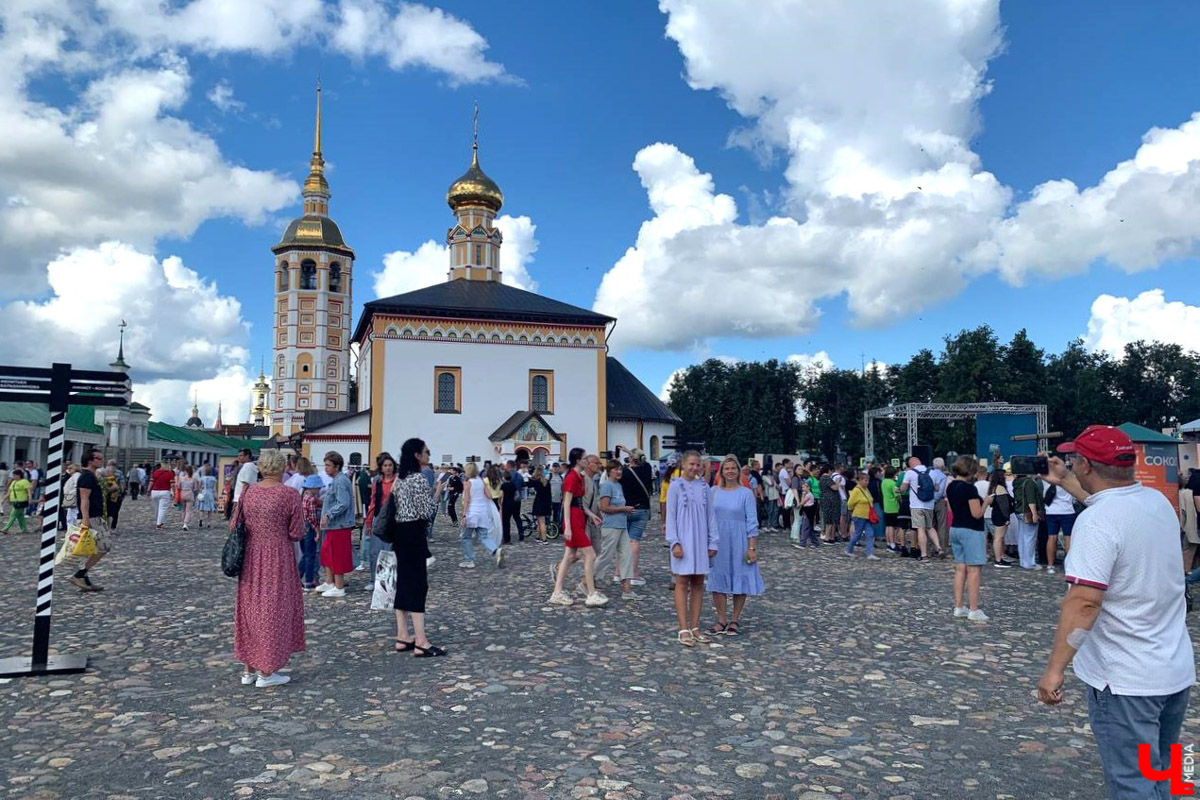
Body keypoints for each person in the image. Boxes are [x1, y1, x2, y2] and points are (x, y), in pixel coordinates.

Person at [1038, 426, 1194, 799]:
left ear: (1085, 464)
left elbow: (1085, 602)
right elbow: (1114, 508)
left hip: (1126, 679)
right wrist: (1065, 483)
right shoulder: (1156, 502)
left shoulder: (1096, 522)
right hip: (1173, 670)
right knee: (1170, 773)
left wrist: (1055, 669)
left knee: (1132, 782)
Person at [231, 448, 305, 688]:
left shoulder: (249, 492)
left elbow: (235, 523)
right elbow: (296, 532)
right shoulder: (289, 494)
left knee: (250, 609)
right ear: (283, 467)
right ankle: (267, 670)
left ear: (261, 468)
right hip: (278, 557)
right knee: (273, 609)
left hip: (251, 556)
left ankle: (248, 669)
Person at [391, 438, 445, 657]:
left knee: (403, 583)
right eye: (426, 452)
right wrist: (438, 493)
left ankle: (403, 635)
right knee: (417, 584)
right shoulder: (418, 480)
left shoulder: (400, 479)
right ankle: (421, 639)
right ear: (417, 455)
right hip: (414, 534)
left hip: (400, 533)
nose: (428, 455)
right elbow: (427, 512)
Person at [667, 451, 718, 646]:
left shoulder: (705, 488)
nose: (695, 468)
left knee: (698, 582)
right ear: (683, 464)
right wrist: (675, 542)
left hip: (700, 540)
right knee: (682, 581)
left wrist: (713, 541)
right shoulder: (675, 487)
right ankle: (683, 627)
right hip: (683, 540)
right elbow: (671, 517)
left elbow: (710, 516)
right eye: (691, 464)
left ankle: (695, 626)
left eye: (698, 465)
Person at [707, 455, 761, 636]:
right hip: (718, 540)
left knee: (741, 577)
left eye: (733, 468)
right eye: (726, 468)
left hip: (739, 540)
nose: (730, 471)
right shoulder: (712, 491)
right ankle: (721, 619)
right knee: (717, 579)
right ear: (721, 471)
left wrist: (752, 547)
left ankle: (735, 619)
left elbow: (752, 521)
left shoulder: (745, 493)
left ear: (739, 471)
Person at [549, 448, 607, 607]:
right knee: (590, 554)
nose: (586, 461)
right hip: (573, 520)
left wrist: (590, 514)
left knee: (569, 557)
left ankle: (557, 592)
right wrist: (567, 526)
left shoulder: (579, 477)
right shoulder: (572, 477)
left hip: (579, 516)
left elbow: (579, 502)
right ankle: (591, 593)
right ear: (577, 460)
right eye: (584, 459)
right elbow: (567, 503)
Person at [946, 455, 992, 622]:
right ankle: (974, 608)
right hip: (971, 530)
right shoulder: (969, 489)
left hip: (956, 527)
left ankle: (959, 606)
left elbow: (951, 508)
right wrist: (986, 501)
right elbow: (977, 514)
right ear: (971, 471)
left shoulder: (950, 487)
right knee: (974, 571)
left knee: (960, 569)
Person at [314, 452, 355, 597]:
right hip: (333, 525)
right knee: (327, 552)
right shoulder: (337, 480)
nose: (326, 468)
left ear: (336, 466)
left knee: (337, 554)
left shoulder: (340, 481)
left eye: (328, 465)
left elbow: (343, 503)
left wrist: (329, 514)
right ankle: (329, 581)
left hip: (339, 524)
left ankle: (339, 586)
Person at [596, 459, 636, 601]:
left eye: (620, 469)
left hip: (622, 525)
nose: (619, 472)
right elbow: (604, 507)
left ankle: (627, 589)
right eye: (615, 469)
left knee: (627, 555)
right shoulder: (607, 485)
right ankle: (588, 579)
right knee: (606, 556)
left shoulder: (618, 485)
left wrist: (625, 510)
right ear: (609, 471)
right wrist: (623, 509)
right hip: (611, 526)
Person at [69, 449, 107, 592]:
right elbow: (84, 499)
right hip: (91, 517)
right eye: (98, 458)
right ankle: (79, 575)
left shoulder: (91, 476)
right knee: (104, 546)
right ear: (90, 460)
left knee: (90, 548)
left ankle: (85, 580)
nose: (101, 460)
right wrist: (85, 518)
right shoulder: (87, 477)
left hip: (95, 516)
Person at [898, 456, 945, 561]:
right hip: (929, 504)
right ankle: (939, 548)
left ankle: (924, 555)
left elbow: (903, 488)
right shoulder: (932, 472)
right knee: (930, 527)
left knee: (920, 529)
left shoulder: (910, 473)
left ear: (910, 464)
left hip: (916, 505)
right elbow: (937, 488)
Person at [618, 447, 654, 586]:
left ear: (631, 459)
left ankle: (619, 573)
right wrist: (629, 451)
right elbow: (643, 462)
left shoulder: (625, 472)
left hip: (626, 508)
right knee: (634, 541)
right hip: (642, 509)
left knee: (622, 541)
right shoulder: (647, 469)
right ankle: (633, 574)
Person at [459, 461, 504, 568]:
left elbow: (466, 500)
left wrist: (464, 515)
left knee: (466, 536)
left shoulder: (467, 483)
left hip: (472, 512)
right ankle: (495, 550)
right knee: (484, 536)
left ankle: (469, 559)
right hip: (482, 512)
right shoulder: (481, 481)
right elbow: (489, 495)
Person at [363, 453, 398, 587]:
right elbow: (373, 501)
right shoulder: (377, 481)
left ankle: (387, 581)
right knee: (375, 551)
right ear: (381, 467)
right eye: (385, 465)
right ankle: (373, 579)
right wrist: (369, 521)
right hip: (379, 517)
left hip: (393, 519)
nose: (388, 468)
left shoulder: (398, 480)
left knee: (390, 551)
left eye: (390, 465)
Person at [1042, 472, 1078, 574]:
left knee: (1052, 538)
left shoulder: (1046, 479)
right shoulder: (1069, 478)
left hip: (1051, 511)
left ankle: (1050, 565)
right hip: (1067, 510)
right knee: (1068, 538)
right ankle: (1069, 565)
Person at [1012, 464, 1044, 570]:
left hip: (1019, 511)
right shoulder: (1029, 482)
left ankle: (1023, 560)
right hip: (1028, 512)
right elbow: (1031, 499)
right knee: (1030, 538)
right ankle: (1029, 563)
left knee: (1022, 536)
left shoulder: (1016, 482)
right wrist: (1034, 513)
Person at [297, 474, 323, 590]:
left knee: (305, 554)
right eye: (318, 488)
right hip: (309, 529)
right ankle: (308, 580)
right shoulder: (311, 499)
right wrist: (317, 530)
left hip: (301, 528)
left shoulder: (302, 497)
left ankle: (297, 577)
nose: (319, 490)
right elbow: (312, 517)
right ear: (313, 487)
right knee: (310, 555)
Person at [845, 472, 878, 559]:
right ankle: (849, 549)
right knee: (857, 534)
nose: (867, 482)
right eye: (865, 480)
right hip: (859, 515)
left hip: (867, 516)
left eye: (868, 481)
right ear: (860, 480)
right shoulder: (856, 490)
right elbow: (850, 503)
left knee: (870, 533)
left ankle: (869, 553)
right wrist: (852, 511)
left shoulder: (866, 489)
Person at [987, 470, 1015, 568]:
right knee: (998, 538)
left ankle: (999, 558)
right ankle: (998, 559)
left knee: (998, 537)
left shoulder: (993, 487)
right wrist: (1006, 518)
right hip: (1000, 515)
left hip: (996, 514)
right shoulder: (1000, 488)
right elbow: (1004, 505)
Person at [500, 467, 524, 544]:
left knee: (506, 522)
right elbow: (516, 494)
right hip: (514, 503)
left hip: (506, 504)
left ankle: (507, 538)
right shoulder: (513, 485)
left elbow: (502, 496)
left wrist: (500, 504)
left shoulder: (503, 486)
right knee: (517, 517)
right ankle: (521, 533)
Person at [2, 468, 31, 533]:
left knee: (13, 515)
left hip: (21, 501)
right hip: (14, 501)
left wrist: (30, 499)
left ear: (19, 475)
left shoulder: (24, 481)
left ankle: (6, 528)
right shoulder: (13, 482)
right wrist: (4, 499)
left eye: (15, 475)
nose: (13, 477)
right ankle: (24, 529)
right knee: (20, 516)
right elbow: (9, 492)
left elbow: (29, 491)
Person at [232, 449, 259, 516]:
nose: (239, 457)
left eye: (241, 455)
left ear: (247, 456)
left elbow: (246, 484)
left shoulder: (247, 466)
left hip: (241, 499)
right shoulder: (249, 466)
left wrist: (240, 501)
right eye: (238, 456)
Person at [149, 461, 175, 529]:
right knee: (162, 508)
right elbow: (172, 484)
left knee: (156, 508)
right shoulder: (169, 473)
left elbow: (151, 482)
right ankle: (159, 523)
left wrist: (148, 490)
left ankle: (159, 520)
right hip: (165, 491)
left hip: (154, 491)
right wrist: (174, 492)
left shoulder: (155, 472)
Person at [530, 465, 552, 544]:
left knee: (541, 522)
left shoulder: (536, 482)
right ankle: (539, 537)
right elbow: (549, 494)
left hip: (539, 502)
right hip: (546, 502)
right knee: (540, 521)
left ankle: (544, 539)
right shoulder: (546, 481)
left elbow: (528, 484)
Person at [882, 466, 901, 552]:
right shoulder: (893, 483)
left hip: (886, 506)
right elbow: (897, 495)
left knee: (888, 526)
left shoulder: (883, 482)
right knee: (893, 526)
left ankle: (888, 542)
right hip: (894, 507)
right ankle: (893, 543)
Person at [195, 464, 218, 528]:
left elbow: (199, 487)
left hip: (204, 493)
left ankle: (201, 519)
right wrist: (216, 497)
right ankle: (209, 523)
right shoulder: (213, 479)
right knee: (210, 509)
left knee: (201, 508)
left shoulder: (202, 478)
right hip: (210, 493)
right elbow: (214, 489)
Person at [175, 465, 196, 531]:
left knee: (183, 510)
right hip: (190, 494)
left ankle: (183, 522)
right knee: (188, 510)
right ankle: (185, 523)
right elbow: (195, 488)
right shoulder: (193, 479)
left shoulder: (181, 478)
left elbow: (178, 487)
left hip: (183, 493)